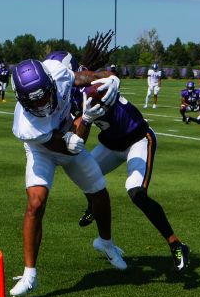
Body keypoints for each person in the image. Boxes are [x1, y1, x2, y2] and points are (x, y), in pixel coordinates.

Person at [8, 34, 125, 297]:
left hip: (67, 135)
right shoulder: (26, 126)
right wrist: (85, 117)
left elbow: (81, 78)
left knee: (100, 193)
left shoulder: (57, 71)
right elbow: (70, 146)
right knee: (36, 203)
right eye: (34, 101)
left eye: (43, 96)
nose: (41, 103)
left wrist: (107, 78)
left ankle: (105, 243)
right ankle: (30, 274)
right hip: (44, 147)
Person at [73, 74, 192, 271]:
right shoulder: (70, 94)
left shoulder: (93, 85)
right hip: (111, 145)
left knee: (136, 192)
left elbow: (101, 75)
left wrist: (113, 78)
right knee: (81, 171)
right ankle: (92, 205)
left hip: (138, 140)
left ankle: (176, 244)